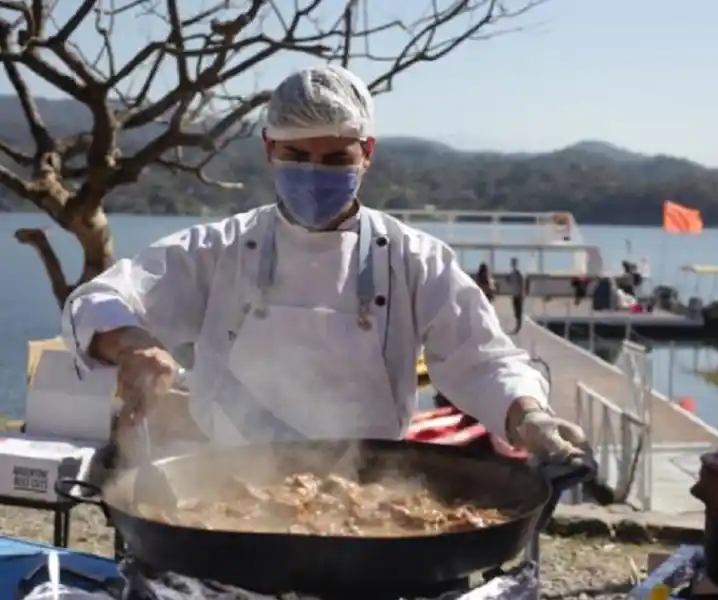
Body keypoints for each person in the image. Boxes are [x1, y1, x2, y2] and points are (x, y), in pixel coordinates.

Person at [60, 65, 595, 471]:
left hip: (369, 481)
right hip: (229, 478)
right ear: (269, 150)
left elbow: (481, 358)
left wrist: (530, 417)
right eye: (296, 156)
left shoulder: (414, 259)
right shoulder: (220, 247)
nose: (314, 173)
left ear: (367, 153)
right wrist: (131, 343)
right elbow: (98, 300)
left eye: (336, 158)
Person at [507, 258, 526, 334]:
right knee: (515, 311)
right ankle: (517, 325)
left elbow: (522, 283)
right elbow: (510, 282)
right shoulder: (512, 274)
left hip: (519, 295)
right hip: (514, 294)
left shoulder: (518, 273)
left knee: (519, 311)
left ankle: (518, 326)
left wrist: (522, 293)